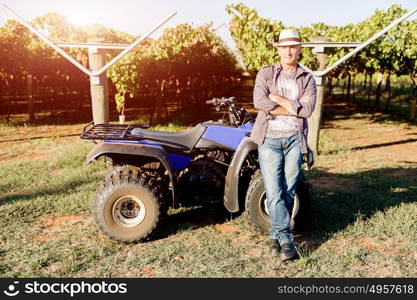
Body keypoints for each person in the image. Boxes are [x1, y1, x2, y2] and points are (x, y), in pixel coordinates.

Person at [250, 29, 316, 261]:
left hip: (294, 140)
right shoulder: (267, 73)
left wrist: (278, 98)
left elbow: (308, 110)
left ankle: (275, 236)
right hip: (269, 139)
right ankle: (286, 239)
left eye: (293, 46)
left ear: (299, 49)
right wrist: (293, 105)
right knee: (273, 190)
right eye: (284, 46)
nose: (289, 50)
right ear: (278, 49)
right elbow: (259, 101)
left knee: (288, 189)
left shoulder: (307, 79)